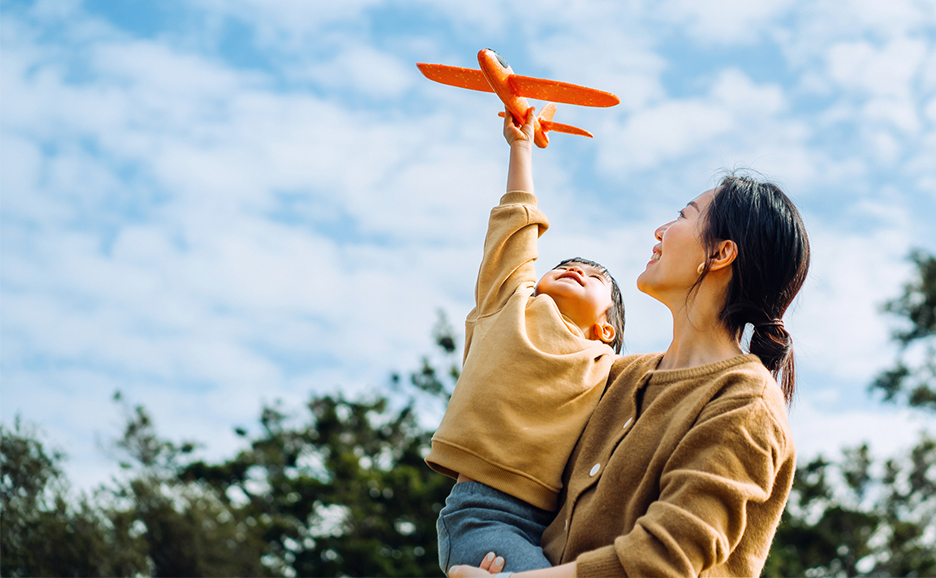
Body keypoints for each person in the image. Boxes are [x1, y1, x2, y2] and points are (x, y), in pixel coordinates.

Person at [448, 133, 811, 576]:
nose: (660, 231)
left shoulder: (745, 403)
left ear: (720, 253)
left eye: (683, 216)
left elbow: (662, 561)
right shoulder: (616, 376)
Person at [427, 106, 626, 574]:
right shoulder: (509, 305)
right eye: (565, 266)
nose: (579, 269)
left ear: (607, 329)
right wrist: (521, 146)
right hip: (480, 515)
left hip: (554, 525)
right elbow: (515, 227)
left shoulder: (605, 365)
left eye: (597, 279)